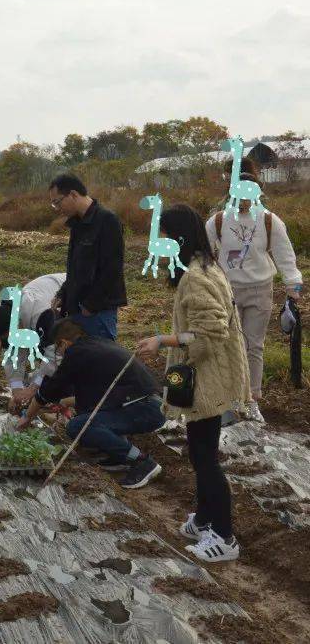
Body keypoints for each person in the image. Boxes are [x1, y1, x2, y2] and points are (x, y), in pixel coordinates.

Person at [135, 204, 251, 563]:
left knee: (205, 456)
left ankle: (224, 536)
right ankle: (204, 519)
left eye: (165, 236)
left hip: (208, 376)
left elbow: (209, 332)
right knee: (198, 451)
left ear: (178, 238)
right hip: (206, 371)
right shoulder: (203, 265)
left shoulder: (196, 277)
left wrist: (162, 340)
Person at [18, 318, 165, 488]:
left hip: (145, 409)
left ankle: (142, 461)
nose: (59, 354)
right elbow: (98, 395)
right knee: (87, 419)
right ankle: (119, 456)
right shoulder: (96, 345)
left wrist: (27, 417)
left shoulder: (76, 353)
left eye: (58, 348)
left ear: (64, 343)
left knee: (78, 426)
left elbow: (48, 391)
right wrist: (64, 402)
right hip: (149, 404)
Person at [205, 168, 303, 422]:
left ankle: (251, 399)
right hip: (227, 291)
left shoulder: (269, 220)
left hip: (261, 290)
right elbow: (202, 254)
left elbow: (284, 254)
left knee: (253, 346)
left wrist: (294, 284)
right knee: (228, 345)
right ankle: (228, 400)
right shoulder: (217, 221)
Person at [48, 174, 126, 340]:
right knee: (82, 359)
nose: (57, 208)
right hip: (78, 308)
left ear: (73, 194)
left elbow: (112, 269)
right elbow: (75, 268)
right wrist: (63, 293)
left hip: (98, 312)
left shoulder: (107, 221)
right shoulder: (77, 225)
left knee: (100, 360)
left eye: (57, 202)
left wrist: (91, 305)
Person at [0, 272, 66, 407]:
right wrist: (17, 390)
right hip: (46, 301)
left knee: (69, 358)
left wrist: (33, 388)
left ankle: (67, 404)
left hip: (79, 297)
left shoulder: (42, 315)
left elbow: (54, 355)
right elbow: (12, 356)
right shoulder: (7, 314)